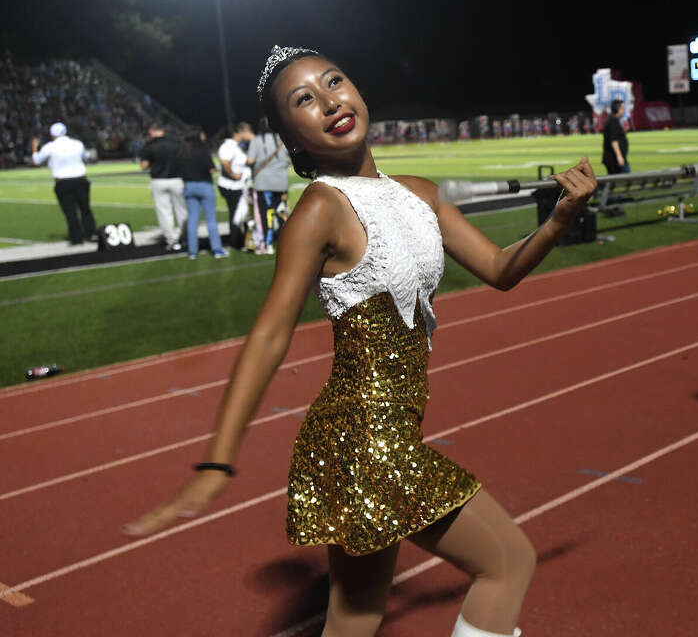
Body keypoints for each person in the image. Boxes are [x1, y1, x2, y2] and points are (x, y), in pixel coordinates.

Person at [125, 46, 597, 637]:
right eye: (304, 100)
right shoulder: (321, 209)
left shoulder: (419, 194)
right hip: (364, 441)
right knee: (508, 563)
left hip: (375, 438)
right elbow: (271, 335)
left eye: (334, 82)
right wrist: (217, 461)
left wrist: (558, 220)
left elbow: (500, 269)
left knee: (355, 617)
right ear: (289, 137)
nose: (329, 102)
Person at [30, 121, 97, 245]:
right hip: (81, 179)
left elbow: (36, 160)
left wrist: (34, 147)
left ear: (53, 135)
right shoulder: (77, 144)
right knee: (85, 209)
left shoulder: (50, 146)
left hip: (63, 183)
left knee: (70, 212)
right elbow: (87, 157)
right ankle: (92, 234)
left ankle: (77, 238)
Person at [177, 128, 227, 260]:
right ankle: (217, 250)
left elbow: (179, 170)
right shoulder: (203, 150)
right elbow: (211, 169)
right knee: (210, 219)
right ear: (198, 136)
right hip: (205, 186)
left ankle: (193, 252)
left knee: (192, 220)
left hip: (189, 186)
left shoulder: (183, 151)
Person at [246, 115, 292, 254]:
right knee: (282, 213)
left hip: (263, 183)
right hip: (281, 182)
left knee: (267, 214)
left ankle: (268, 243)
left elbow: (250, 160)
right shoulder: (282, 139)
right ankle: (288, 242)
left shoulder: (256, 140)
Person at [140, 123, 186, 252]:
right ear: (163, 130)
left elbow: (144, 166)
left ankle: (172, 241)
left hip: (159, 180)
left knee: (164, 213)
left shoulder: (149, 145)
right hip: (177, 179)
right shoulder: (176, 144)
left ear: (151, 131)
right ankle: (186, 238)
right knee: (182, 211)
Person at [217, 122, 255, 251]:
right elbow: (225, 161)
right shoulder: (229, 145)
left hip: (239, 185)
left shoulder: (236, 146)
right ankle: (236, 242)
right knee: (236, 213)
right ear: (241, 131)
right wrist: (233, 174)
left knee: (243, 214)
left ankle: (243, 240)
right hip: (232, 186)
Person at [601, 99, 630, 175]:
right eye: (622, 108)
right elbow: (614, 140)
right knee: (626, 180)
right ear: (617, 109)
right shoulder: (613, 121)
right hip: (614, 159)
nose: (624, 110)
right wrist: (619, 156)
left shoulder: (613, 120)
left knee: (617, 183)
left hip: (614, 158)